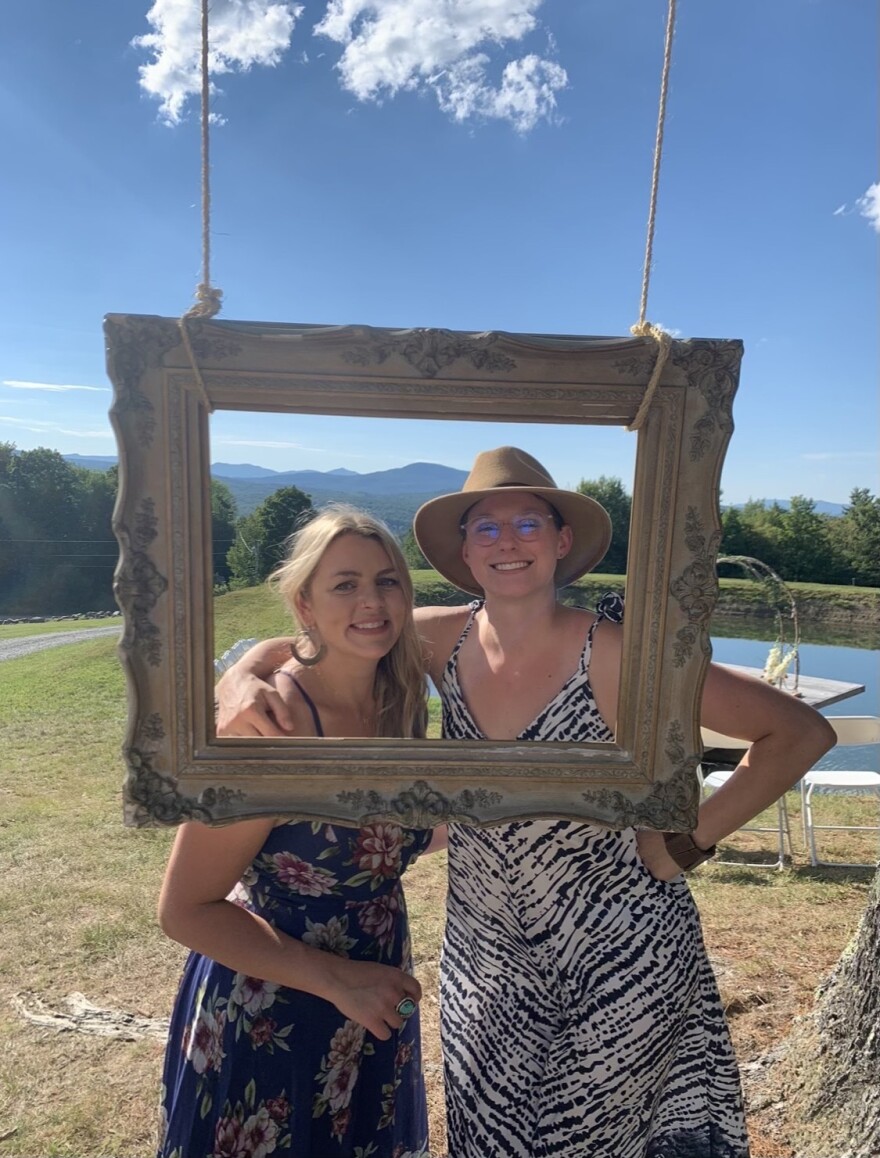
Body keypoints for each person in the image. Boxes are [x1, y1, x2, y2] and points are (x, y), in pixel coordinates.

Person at [216, 448, 836, 1158]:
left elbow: (796, 732)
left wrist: (686, 843)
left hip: (617, 964)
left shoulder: (615, 653)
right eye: (487, 527)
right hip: (484, 969)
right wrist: (239, 678)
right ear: (465, 549)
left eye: (528, 523)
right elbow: (313, 639)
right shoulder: (436, 641)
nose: (507, 541)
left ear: (562, 540)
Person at [157, 506, 437, 1158]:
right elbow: (183, 909)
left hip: (373, 998)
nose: (372, 600)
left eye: (388, 580)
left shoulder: (398, 699)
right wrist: (337, 980)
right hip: (272, 1017)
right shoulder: (271, 726)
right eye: (345, 584)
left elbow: (384, 840)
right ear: (303, 603)